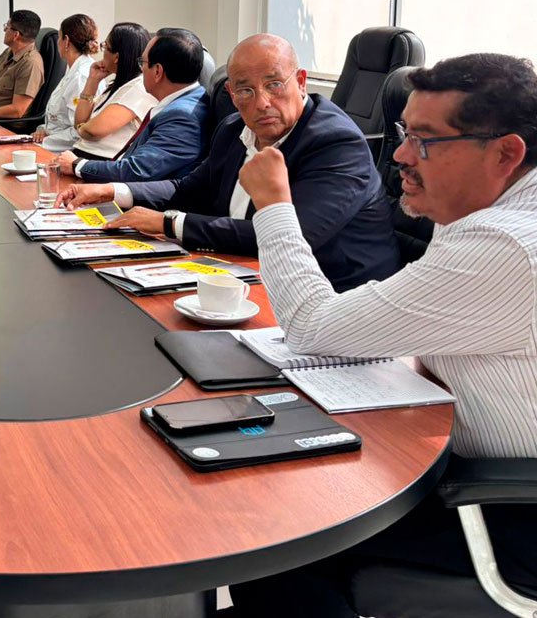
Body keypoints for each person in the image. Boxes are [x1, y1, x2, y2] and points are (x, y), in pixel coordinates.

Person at [227, 52, 537, 617]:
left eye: (425, 141)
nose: (398, 157)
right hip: (450, 450)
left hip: (507, 511)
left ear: (506, 153)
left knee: (277, 537)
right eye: (403, 134)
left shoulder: (505, 245)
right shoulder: (482, 211)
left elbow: (309, 328)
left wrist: (274, 205)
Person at [57, 34, 399, 292]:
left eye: (274, 84)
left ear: (300, 82)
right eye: (245, 90)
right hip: (242, 274)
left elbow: (286, 238)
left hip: (334, 294)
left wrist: (169, 224)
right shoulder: (234, 128)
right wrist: (114, 191)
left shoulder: (335, 143)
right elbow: (187, 189)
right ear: (232, 96)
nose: (262, 102)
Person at [55, 27, 208, 181]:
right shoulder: (179, 102)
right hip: (114, 175)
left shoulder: (182, 115)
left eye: (143, 62)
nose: (141, 70)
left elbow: (138, 169)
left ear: (157, 72)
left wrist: (77, 165)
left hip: (128, 187)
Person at [64, 22, 156, 161]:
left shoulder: (138, 89)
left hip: (102, 163)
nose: (102, 51)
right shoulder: (116, 85)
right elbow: (80, 121)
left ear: (117, 57)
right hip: (84, 156)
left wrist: (82, 128)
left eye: (105, 46)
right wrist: (92, 81)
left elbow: (93, 131)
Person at [31, 14, 99, 151]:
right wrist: (43, 129)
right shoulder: (75, 70)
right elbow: (61, 121)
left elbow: (78, 132)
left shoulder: (81, 76)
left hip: (65, 153)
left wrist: (43, 143)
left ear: (66, 41)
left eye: (59, 37)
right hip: (55, 144)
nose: (57, 43)